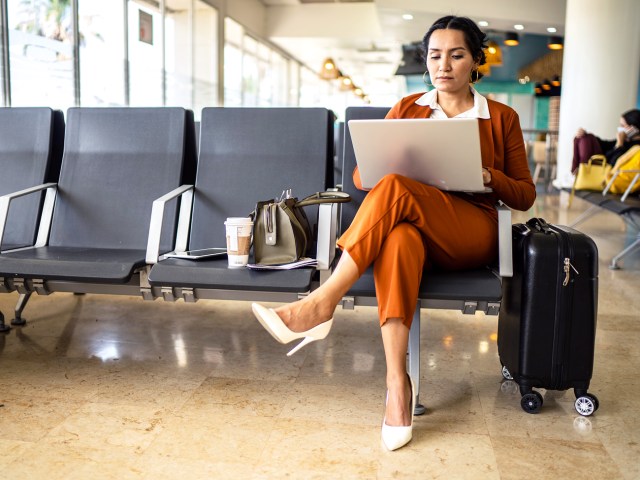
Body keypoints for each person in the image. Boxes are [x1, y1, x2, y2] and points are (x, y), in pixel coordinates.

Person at [251, 15, 536, 451]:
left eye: (456, 55)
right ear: (426, 61)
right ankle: (396, 386)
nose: (444, 65)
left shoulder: (500, 117)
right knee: (398, 236)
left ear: (475, 60)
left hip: (471, 230)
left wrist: (485, 174)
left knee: (397, 190)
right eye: (435, 55)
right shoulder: (408, 107)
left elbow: (525, 195)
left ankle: (322, 302)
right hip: (413, 224)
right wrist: (391, 163)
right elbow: (364, 175)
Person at [572, 109, 640, 173]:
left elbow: (613, 163)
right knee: (585, 138)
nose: (620, 128)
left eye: (622, 125)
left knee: (585, 139)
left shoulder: (636, 148)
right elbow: (605, 144)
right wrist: (584, 133)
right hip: (600, 166)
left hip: (607, 172)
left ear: (634, 129)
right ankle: (578, 173)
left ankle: (580, 173)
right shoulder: (626, 140)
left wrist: (619, 144)